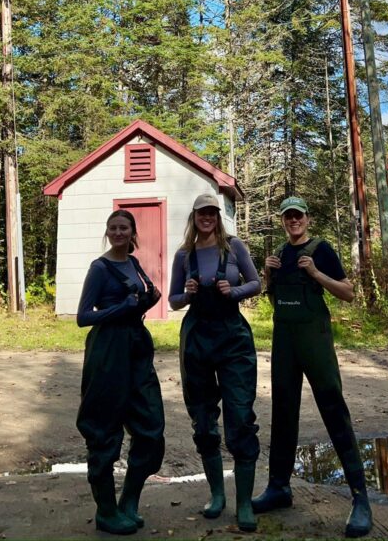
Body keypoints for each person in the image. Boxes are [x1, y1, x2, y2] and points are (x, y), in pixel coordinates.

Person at [252, 196, 373, 538]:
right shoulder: (279, 251)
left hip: (315, 339)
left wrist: (316, 273)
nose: (293, 221)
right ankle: (279, 487)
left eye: (298, 216)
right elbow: (272, 296)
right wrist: (267, 274)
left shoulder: (321, 249)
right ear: (283, 221)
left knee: (333, 408)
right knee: (283, 411)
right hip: (285, 341)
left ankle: (360, 499)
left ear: (306, 219)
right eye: (288, 217)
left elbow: (348, 293)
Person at [169, 195, 261, 533]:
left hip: (233, 336)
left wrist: (234, 291)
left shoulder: (234, 247)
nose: (207, 218)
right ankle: (217, 495)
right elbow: (173, 300)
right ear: (194, 217)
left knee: (240, 417)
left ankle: (245, 503)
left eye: (212, 213)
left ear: (217, 217)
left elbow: (256, 283)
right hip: (197, 337)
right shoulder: (183, 255)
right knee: (204, 419)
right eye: (201, 213)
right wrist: (188, 293)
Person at [77, 210, 165, 536]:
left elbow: (135, 302)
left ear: (132, 232)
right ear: (107, 231)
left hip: (137, 349)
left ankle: (129, 500)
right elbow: (84, 317)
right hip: (107, 351)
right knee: (103, 428)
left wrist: (146, 301)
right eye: (113, 228)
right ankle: (106, 511)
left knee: (151, 426)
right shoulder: (99, 269)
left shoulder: (134, 262)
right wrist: (122, 308)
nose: (118, 232)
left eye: (123, 227)